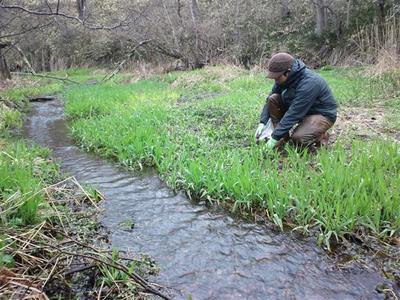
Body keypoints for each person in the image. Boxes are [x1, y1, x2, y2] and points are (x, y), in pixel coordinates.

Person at [255, 53, 337, 151]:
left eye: (277, 77)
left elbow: (294, 113)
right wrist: (262, 122)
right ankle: (282, 137)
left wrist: (273, 139)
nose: (275, 80)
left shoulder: (309, 83)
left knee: (299, 139)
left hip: (320, 114)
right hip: (301, 110)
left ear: (287, 72)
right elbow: (270, 98)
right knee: (273, 98)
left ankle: (321, 136)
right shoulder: (283, 79)